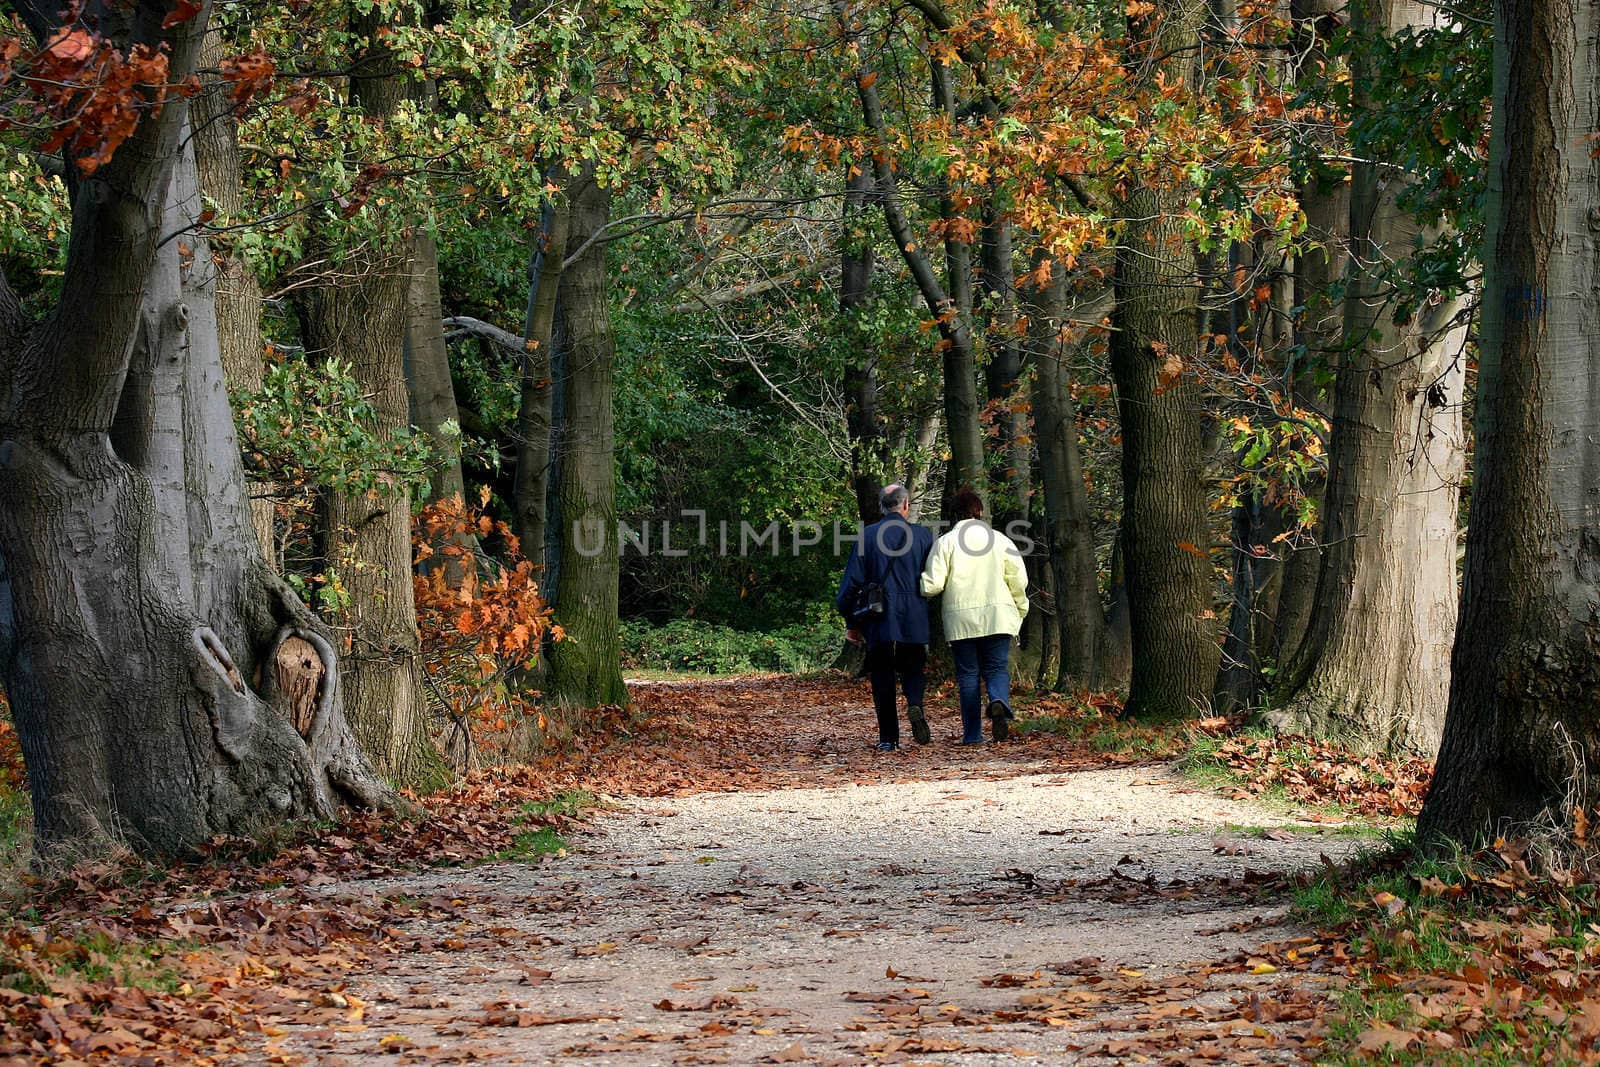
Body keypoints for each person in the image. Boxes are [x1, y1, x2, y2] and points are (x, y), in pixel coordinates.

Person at [920, 488, 1029, 744]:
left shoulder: (945, 543)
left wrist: (918, 584)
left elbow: (932, 585)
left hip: (961, 621)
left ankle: (972, 735)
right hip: (998, 615)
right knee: (996, 668)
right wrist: (1020, 609)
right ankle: (998, 700)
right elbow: (1019, 579)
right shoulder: (1001, 540)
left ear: (954, 515)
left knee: (968, 676)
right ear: (979, 512)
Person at [835, 484, 935, 750]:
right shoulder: (924, 536)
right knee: (914, 666)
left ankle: (888, 738)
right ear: (905, 505)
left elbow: (851, 583)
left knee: (882, 675)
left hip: (879, 616)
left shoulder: (867, 536)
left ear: (881, 506)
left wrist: (851, 621)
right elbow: (934, 577)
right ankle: (914, 703)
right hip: (913, 613)